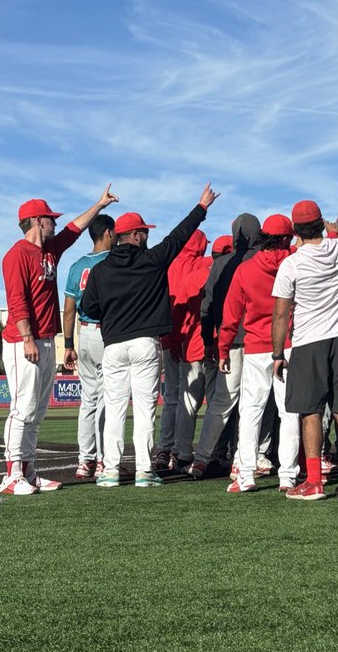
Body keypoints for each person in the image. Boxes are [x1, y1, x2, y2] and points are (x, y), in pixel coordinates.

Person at [81, 185, 219, 488]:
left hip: (114, 344)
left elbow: (88, 308)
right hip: (145, 342)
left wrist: (113, 311)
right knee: (144, 409)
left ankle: (110, 470)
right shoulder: (152, 260)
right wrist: (201, 208)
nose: (147, 236)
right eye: (144, 232)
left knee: (115, 409)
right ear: (134, 235)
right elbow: (179, 237)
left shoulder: (102, 270)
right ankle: (144, 470)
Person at [0, 185, 118, 496]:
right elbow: (17, 301)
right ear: (37, 221)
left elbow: (74, 229)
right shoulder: (17, 254)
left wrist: (99, 204)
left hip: (46, 339)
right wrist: (27, 337)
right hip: (23, 341)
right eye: (50, 218)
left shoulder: (49, 251)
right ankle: (11, 475)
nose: (55, 222)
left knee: (37, 412)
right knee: (22, 408)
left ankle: (28, 472)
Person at [271, 184, 338, 501]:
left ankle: (314, 481)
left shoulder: (292, 264)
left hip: (308, 342)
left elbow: (281, 314)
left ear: (295, 230)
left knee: (310, 412)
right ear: (322, 223)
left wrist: (277, 353)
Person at [219, 214, 300, 494]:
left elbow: (231, 315)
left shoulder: (246, 269)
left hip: (256, 348)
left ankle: (246, 475)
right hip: (288, 344)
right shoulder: (295, 262)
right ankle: (288, 476)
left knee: (251, 411)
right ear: (286, 238)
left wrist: (224, 349)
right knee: (289, 412)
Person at [189, 216, 262, 477]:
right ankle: (245, 460)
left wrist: (209, 341)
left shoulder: (219, 264)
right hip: (258, 340)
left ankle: (202, 457)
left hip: (228, 341)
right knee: (254, 404)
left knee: (221, 401)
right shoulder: (263, 258)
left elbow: (206, 307)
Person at [62, 214, 116, 479]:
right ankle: (104, 459)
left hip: (83, 333)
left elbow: (69, 310)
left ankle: (85, 460)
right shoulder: (112, 261)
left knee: (88, 400)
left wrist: (68, 344)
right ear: (107, 233)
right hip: (105, 332)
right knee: (107, 398)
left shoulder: (77, 265)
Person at [158, 230, 210, 473]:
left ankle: (164, 448)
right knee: (191, 399)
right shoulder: (202, 264)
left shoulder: (168, 264)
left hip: (168, 335)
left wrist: (170, 339)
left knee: (171, 397)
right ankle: (181, 451)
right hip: (192, 339)